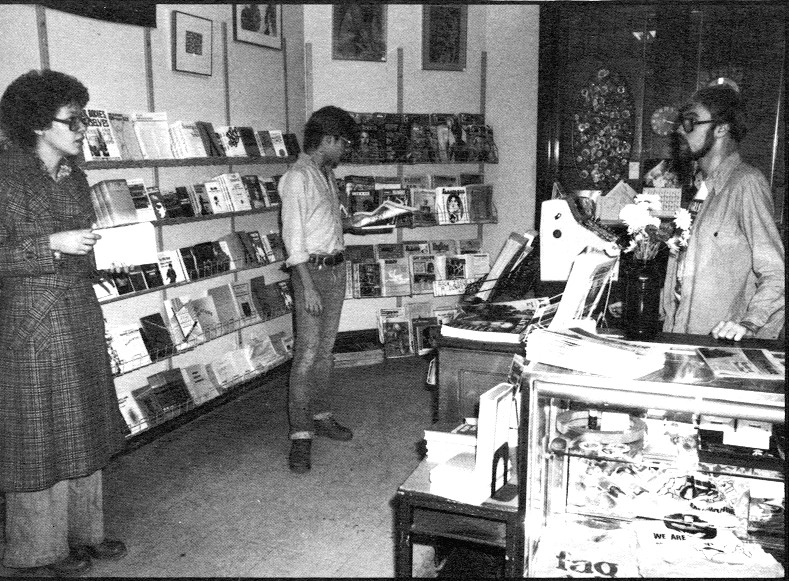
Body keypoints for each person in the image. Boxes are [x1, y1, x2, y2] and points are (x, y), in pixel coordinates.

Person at [0, 70, 128, 574]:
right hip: (30, 320)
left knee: (84, 424)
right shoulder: (4, 174)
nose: (82, 129)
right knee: (39, 433)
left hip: (77, 309)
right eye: (73, 120)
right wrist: (50, 245)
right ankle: (35, 552)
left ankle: (85, 534)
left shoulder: (75, 175)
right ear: (36, 123)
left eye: (83, 119)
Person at [661, 83, 784, 340]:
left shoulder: (746, 183)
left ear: (721, 127)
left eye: (691, 122)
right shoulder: (700, 187)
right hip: (682, 333)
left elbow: (776, 272)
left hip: (718, 344)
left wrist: (749, 324)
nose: (681, 131)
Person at [279, 105, 358, 473]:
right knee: (307, 355)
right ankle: (300, 436)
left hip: (336, 270)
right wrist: (307, 287)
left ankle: (321, 416)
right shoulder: (297, 178)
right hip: (312, 274)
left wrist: (355, 223)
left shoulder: (325, 174)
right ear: (327, 140)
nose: (345, 149)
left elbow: (326, 224)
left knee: (325, 351)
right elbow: (293, 241)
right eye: (343, 142)